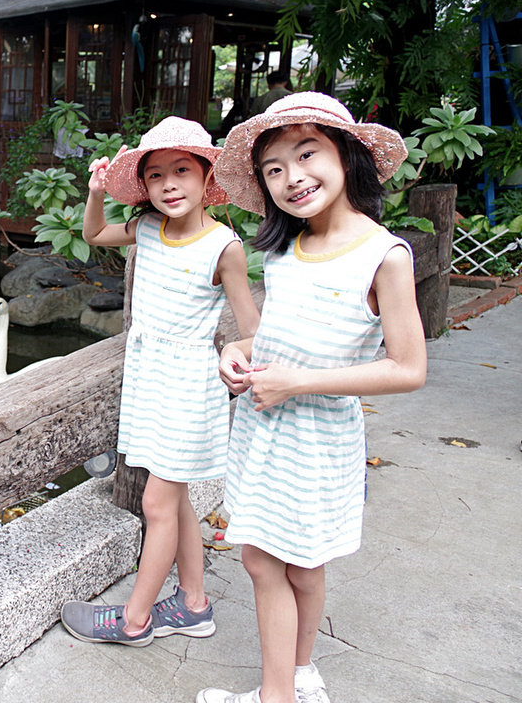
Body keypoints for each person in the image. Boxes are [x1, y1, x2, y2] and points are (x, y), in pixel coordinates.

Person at [198, 93, 427, 703]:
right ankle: (299, 676)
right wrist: (237, 353)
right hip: (263, 431)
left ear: (347, 157)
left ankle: (277, 696)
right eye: (274, 168)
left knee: (268, 563)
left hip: (318, 442)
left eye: (307, 155)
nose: (292, 177)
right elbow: (275, 336)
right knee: (292, 562)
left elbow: (407, 369)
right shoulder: (286, 250)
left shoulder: (384, 255)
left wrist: (295, 382)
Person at [61, 117, 260, 648]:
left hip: (190, 387)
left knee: (156, 504)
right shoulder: (146, 228)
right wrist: (95, 193)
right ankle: (194, 605)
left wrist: (237, 356)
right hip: (150, 380)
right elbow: (95, 233)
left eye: (181, 171)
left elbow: (251, 329)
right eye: (155, 176)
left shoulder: (224, 247)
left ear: (204, 177)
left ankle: (134, 620)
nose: (169, 184)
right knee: (176, 501)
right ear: (144, 188)